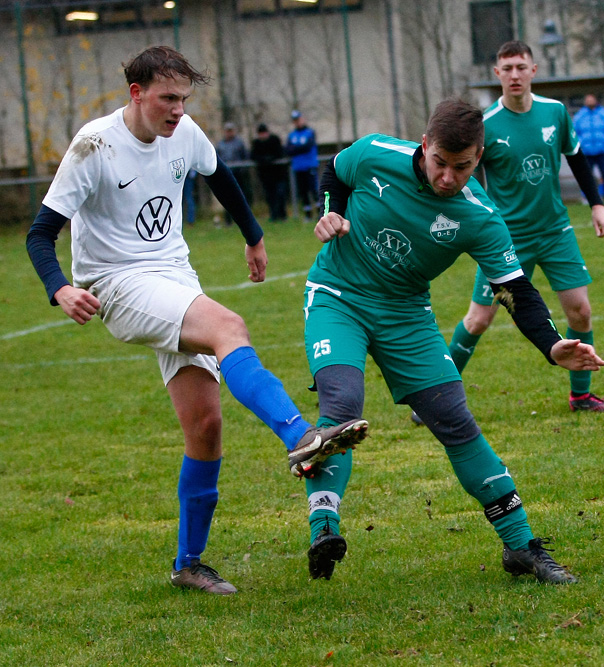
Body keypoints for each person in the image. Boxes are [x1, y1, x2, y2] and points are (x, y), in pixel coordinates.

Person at [24, 45, 368, 596]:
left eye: (184, 98)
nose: (179, 110)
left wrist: (254, 237)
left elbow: (220, 176)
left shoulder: (182, 131)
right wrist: (60, 288)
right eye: (168, 98)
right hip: (117, 283)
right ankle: (300, 435)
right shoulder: (94, 145)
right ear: (136, 94)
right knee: (229, 326)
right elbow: (39, 235)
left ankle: (189, 563)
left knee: (206, 427)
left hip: (175, 277)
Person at [302, 98, 604, 583]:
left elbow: (513, 290)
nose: (448, 177)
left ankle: (521, 546)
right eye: (440, 162)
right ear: (424, 146)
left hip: (406, 315)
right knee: (343, 403)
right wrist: (332, 213)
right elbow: (333, 171)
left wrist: (551, 345)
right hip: (339, 296)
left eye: (462, 167)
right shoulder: (375, 152)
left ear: (478, 159)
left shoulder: (479, 215)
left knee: (455, 420)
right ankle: (324, 526)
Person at [441, 40, 604, 415]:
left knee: (580, 312)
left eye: (521, 67)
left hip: (555, 232)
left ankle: (581, 396)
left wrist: (597, 205)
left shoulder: (555, 113)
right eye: (507, 69)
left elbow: (578, 159)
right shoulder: (485, 126)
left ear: (534, 70)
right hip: (506, 240)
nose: (515, 75)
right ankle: (435, 400)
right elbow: (467, 176)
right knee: (479, 319)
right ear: (497, 75)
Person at [572, 93, 604, 198]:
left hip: (601, 150)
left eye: (592, 100)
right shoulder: (580, 116)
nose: (590, 102)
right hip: (586, 151)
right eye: (588, 100)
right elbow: (574, 132)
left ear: (596, 101)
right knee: (586, 175)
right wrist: (582, 143)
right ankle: (587, 196)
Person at [251, 123, 288, 222]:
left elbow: (279, 153)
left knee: (280, 195)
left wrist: (270, 159)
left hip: (278, 174)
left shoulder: (274, 140)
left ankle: (283, 215)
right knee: (270, 197)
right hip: (266, 176)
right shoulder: (257, 143)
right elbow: (253, 156)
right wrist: (264, 160)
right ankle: (273, 215)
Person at [216, 121, 252, 225]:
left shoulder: (239, 143)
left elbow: (245, 157)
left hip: (238, 174)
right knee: (227, 198)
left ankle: (244, 220)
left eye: (231, 131)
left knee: (241, 197)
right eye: (227, 131)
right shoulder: (221, 145)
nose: (229, 133)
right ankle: (228, 220)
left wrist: (242, 170)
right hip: (225, 175)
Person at [286, 110, 319, 220]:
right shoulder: (292, 135)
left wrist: (297, 148)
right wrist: (299, 148)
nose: (297, 122)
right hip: (298, 167)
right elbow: (289, 150)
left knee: (314, 190)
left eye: (298, 119)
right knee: (303, 192)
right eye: (295, 120)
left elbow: (308, 146)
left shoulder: (310, 132)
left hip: (310, 165)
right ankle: (308, 215)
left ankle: (320, 213)